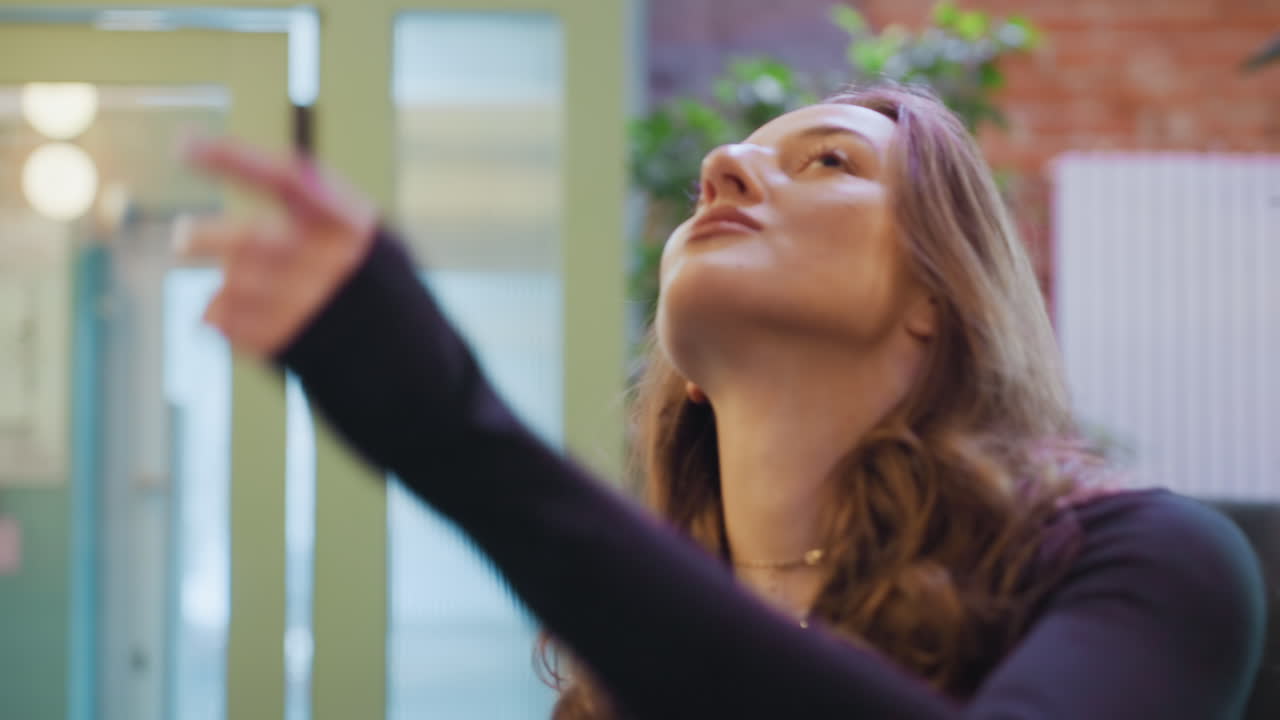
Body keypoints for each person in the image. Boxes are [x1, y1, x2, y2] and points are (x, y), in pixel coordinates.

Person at [179, 85, 1264, 719]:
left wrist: (448, 429)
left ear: (940, 295)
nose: (721, 167)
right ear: (682, 366)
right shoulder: (607, 678)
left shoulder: (1150, 563)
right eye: (733, 157)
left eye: (829, 160)